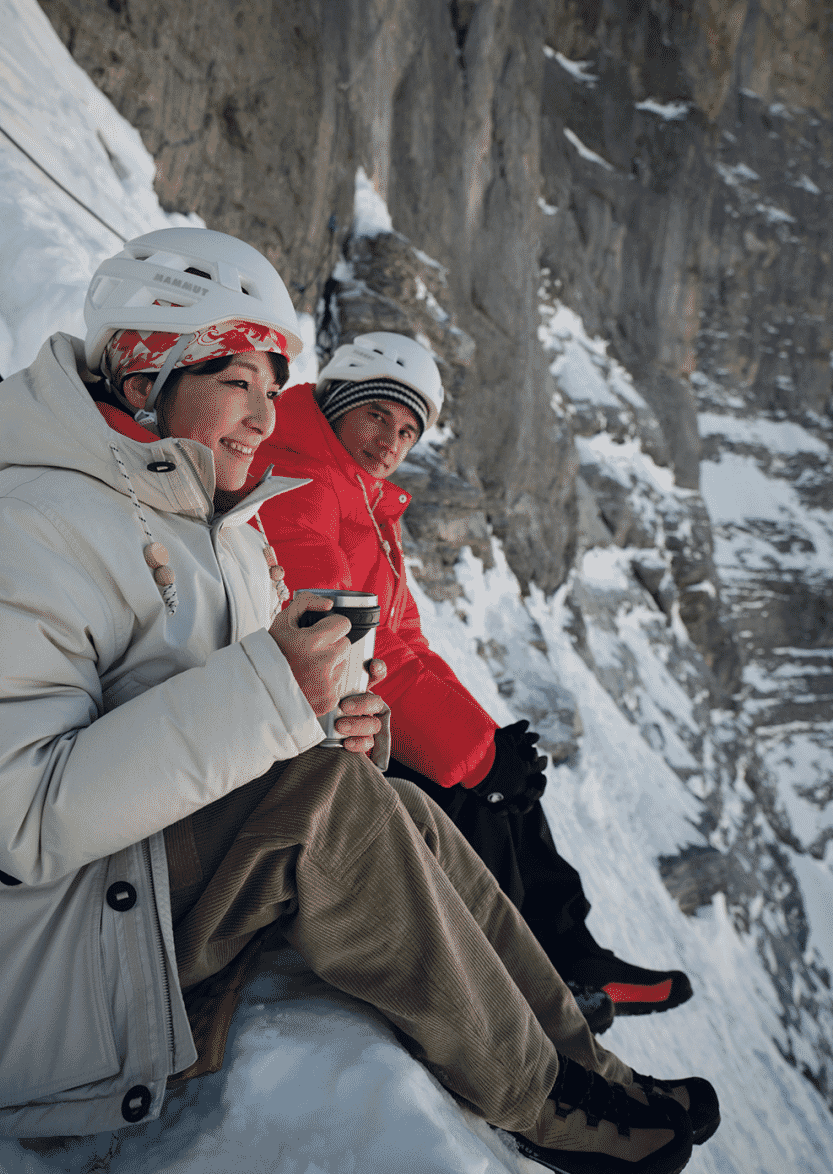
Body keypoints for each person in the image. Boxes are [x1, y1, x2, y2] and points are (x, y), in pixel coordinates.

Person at [0, 231, 717, 1169]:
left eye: (273, 387)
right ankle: (545, 1106)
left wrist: (341, 722)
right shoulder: (18, 531)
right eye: (238, 383)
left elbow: (225, 732)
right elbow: (16, 810)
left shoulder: (208, 533)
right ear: (145, 377)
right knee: (327, 809)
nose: (264, 417)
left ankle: (581, 1067)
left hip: (90, 907)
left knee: (402, 806)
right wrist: (270, 695)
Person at [252, 332, 694, 1030]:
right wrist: (476, 759)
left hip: (350, 708)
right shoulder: (300, 478)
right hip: (305, 719)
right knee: (472, 798)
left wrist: (490, 742)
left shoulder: (360, 497)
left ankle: (571, 956)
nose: (389, 441)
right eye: (376, 416)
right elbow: (341, 641)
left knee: (506, 785)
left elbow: (406, 644)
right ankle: (524, 982)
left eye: (406, 431)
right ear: (336, 401)